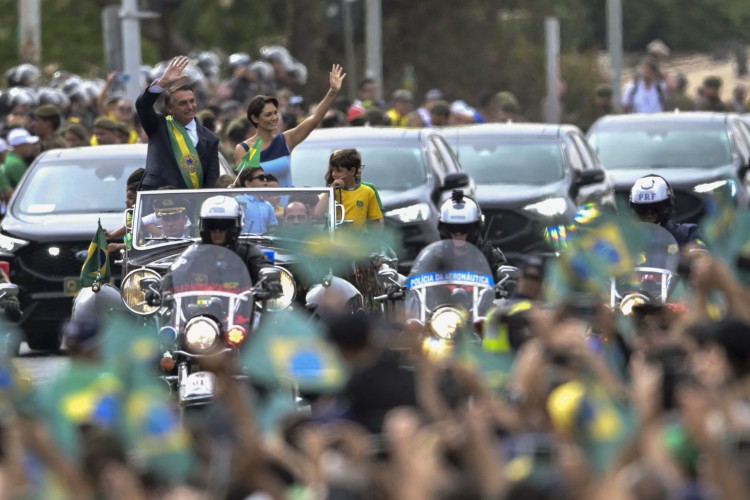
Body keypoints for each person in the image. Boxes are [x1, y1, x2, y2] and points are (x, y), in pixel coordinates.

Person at [233, 64, 347, 187]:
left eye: (275, 113)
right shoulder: (243, 149)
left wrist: (332, 92)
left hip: (288, 205)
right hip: (259, 206)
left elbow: (314, 120)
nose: (274, 118)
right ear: (255, 118)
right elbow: (243, 185)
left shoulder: (285, 140)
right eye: (268, 115)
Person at [136, 55, 220, 191]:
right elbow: (142, 105)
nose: (190, 106)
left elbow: (212, 179)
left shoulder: (210, 138)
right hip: (158, 199)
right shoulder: (159, 126)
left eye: (192, 101)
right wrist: (162, 83)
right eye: (183, 103)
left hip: (191, 204)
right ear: (170, 109)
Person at [197, 195, 273, 284]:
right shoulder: (195, 253)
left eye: (224, 225)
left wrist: (271, 281)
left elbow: (264, 267)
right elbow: (178, 271)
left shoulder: (247, 253)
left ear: (236, 226)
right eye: (211, 225)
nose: (217, 231)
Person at [437, 189, 506, 273]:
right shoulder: (435, 256)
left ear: (474, 230)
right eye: (453, 228)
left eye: (464, 228)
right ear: (443, 230)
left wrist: (507, 281)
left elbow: (505, 276)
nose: (458, 233)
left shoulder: (489, 256)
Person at [315, 149, 383, 232]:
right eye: (333, 170)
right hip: (334, 243)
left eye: (338, 171)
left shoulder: (367, 191)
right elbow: (317, 214)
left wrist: (374, 242)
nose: (334, 174)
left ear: (352, 171)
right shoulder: (331, 191)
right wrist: (331, 190)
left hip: (358, 243)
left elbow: (376, 222)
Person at [629, 174, 703, 247]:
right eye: (642, 208)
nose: (649, 213)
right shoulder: (622, 237)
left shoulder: (688, 234)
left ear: (667, 207)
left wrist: (692, 253)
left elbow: (700, 254)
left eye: (655, 207)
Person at [234, 167, 278, 234]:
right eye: (261, 177)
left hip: (263, 243)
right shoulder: (237, 201)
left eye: (265, 177)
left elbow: (273, 227)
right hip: (242, 243)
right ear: (248, 183)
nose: (265, 180)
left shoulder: (268, 205)